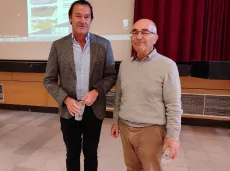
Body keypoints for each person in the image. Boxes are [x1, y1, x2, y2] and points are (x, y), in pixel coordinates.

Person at [44, 1, 117, 171]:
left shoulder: (103, 45)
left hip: (94, 109)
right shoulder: (58, 46)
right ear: (70, 18)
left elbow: (111, 75)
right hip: (69, 111)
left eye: (87, 16)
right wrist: (66, 99)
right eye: (78, 16)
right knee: (72, 153)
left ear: (91, 20)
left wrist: (97, 92)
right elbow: (49, 80)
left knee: (91, 153)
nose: (82, 20)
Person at [111, 19, 183, 171]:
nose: (138, 36)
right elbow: (119, 96)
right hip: (125, 127)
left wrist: (173, 136)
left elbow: (174, 104)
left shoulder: (167, 65)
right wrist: (116, 120)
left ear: (155, 38)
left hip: (151, 131)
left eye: (145, 32)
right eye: (135, 32)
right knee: (131, 168)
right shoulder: (125, 65)